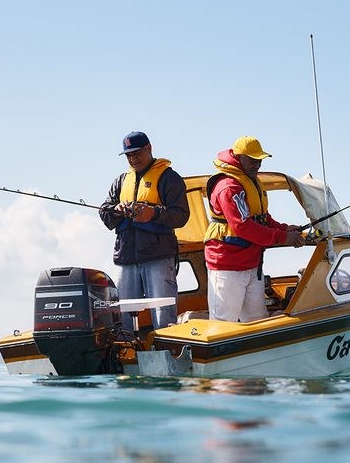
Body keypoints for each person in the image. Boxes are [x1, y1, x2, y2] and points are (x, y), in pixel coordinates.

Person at [204, 135, 305, 323]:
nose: (257, 164)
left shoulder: (249, 180)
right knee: (224, 323)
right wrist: (283, 237)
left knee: (257, 320)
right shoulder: (228, 187)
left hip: (251, 263)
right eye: (252, 160)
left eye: (259, 160)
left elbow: (262, 217)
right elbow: (243, 226)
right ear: (238, 157)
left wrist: (285, 229)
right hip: (227, 264)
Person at [98, 131, 189, 332]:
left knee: (163, 315)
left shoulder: (169, 178)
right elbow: (104, 213)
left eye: (137, 153)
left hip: (159, 257)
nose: (133, 158)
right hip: (126, 259)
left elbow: (181, 215)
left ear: (149, 148)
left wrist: (153, 213)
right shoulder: (121, 181)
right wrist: (116, 210)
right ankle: (129, 355)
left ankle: (167, 354)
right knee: (124, 317)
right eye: (129, 155)